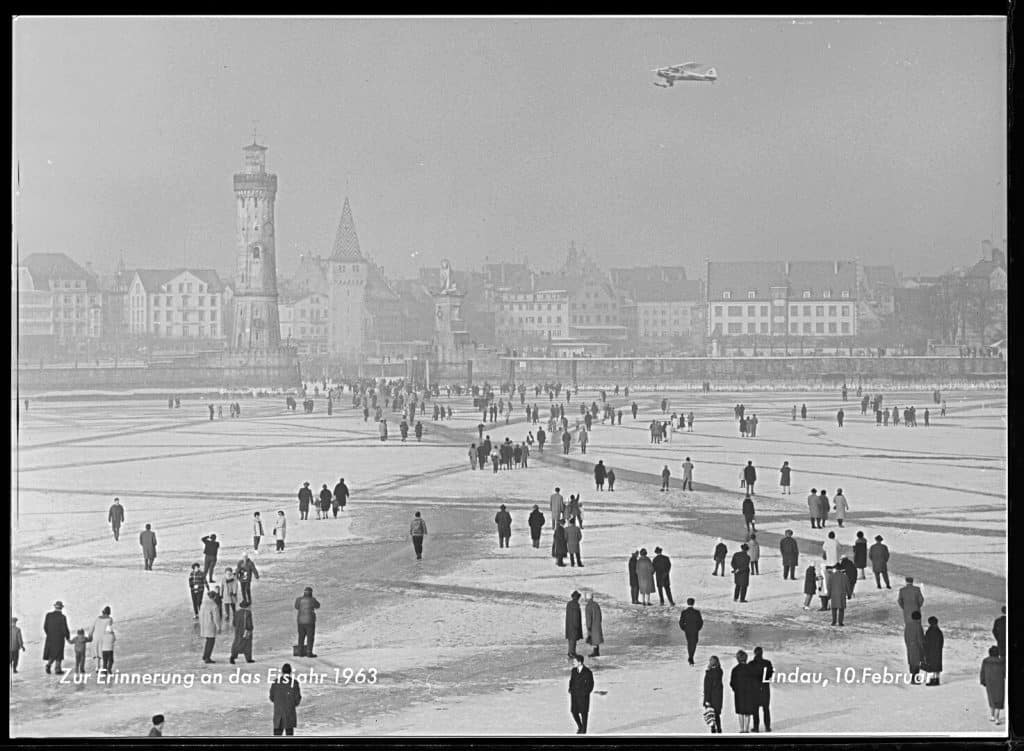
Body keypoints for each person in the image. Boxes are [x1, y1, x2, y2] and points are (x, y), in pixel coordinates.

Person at [269, 663, 303, 736]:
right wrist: (291, 704)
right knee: (289, 735)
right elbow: (297, 699)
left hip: (278, 715)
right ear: (290, 672)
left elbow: (271, 697)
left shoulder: (275, 682)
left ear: (282, 671)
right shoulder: (294, 683)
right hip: (289, 714)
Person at [568, 653, 595, 734]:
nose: (573, 663)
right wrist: (570, 688)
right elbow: (571, 681)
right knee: (574, 712)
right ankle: (580, 726)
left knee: (584, 714)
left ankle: (584, 731)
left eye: (574, 661)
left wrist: (585, 693)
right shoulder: (573, 671)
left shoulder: (587, 672)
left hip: (583, 696)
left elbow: (591, 684)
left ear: (580, 662)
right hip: (574, 695)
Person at [730, 650, 755, 733]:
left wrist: (736, 690)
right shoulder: (751, 669)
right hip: (749, 693)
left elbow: (732, 683)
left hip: (739, 693)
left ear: (738, 658)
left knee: (740, 712)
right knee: (748, 712)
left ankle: (741, 729)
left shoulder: (735, 669)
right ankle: (746, 729)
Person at [750, 646, 774, 732]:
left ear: (754, 653)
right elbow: (770, 673)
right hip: (765, 688)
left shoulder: (751, 664)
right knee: (766, 708)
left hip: (754, 688)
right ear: (762, 653)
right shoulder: (767, 663)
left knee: (755, 709)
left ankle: (756, 728)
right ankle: (767, 727)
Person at [980, 645, 1005, 725]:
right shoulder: (1001, 661)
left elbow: (982, 672)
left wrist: (983, 681)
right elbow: (1005, 672)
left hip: (989, 682)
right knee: (999, 699)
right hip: (999, 682)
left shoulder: (985, 661)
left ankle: (992, 716)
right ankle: (997, 718)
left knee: (991, 699)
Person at [43, 602, 70, 674]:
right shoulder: (62, 617)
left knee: (52, 653)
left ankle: (48, 665)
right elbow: (64, 628)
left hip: (50, 638)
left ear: (55, 607)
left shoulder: (48, 615)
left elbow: (45, 627)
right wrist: (67, 637)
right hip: (59, 638)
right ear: (61, 608)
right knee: (59, 653)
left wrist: (49, 634)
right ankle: (57, 669)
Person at [294, 586, 320, 658]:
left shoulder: (299, 599)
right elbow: (318, 606)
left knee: (301, 637)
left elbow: (296, 607)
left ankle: (300, 652)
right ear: (311, 593)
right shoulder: (312, 600)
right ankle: (309, 653)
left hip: (300, 621)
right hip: (310, 621)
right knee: (310, 637)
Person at [679, 598, 704, 665]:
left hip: (687, 630)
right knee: (694, 643)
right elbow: (701, 622)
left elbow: (681, 622)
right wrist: (698, 628)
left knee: (689, 643)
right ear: (694, 603)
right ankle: (691, 657)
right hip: (695, 630)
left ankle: (690, 657)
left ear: (687, 603)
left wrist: (684, 628)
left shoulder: (684, 612)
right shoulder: (697, 612)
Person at [703, 656, 724, 733]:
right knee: (717, 715)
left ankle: (713, 730)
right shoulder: (719, 671)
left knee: (711, 715)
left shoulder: (710, 673)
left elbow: (707, 687)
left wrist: (706, 699)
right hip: (718, 697)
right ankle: (719, 729)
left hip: (711, 697)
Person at [904, 611, 925, 683]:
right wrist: (923, 647)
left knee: (911, 662)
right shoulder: (918, 626)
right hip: (916, 646)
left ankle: (913, 678)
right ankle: (915, 679)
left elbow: (906, 637)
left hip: (909, 646)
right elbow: (920, 638)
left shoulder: (908, 625)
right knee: (916, 662)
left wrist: (908, 644)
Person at [199, 590, 219, 663]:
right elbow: (216, 618)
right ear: (214, 597)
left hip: (204, 625)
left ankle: (205, 655)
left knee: (208, 641)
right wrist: (218, 627)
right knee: (211, 642)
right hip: (210, 625)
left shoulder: (203, 604)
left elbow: (200, 614)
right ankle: (207, 657)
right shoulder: (214, 605)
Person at [923, 616, 944, 686]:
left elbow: (926, 642)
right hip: (938, 651)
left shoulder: (929, 632)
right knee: (937, 665)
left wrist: (925, 651)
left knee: (931, 666)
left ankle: (932, 681)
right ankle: (937, 679)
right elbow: (941, 642)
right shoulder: (939, 631)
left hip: (930, 652)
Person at [565, 591, 584, 658]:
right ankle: (572, 653)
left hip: (569, 624)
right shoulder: (576, 604)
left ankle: (570, 652)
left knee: (570, 639)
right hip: (574, 625)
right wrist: (577, 625)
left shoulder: (569, 604)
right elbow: (576, 616)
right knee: (573, 639)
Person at [584, 593, 603, 657]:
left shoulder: (588, 606)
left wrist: (589, 626)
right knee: (596, 639)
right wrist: (599, 622)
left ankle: (595, 653)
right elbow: (600, 615)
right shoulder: (596, 604)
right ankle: (596, 651)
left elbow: (588, 618)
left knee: (594, 639)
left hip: (592, 625)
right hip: (597, 624)